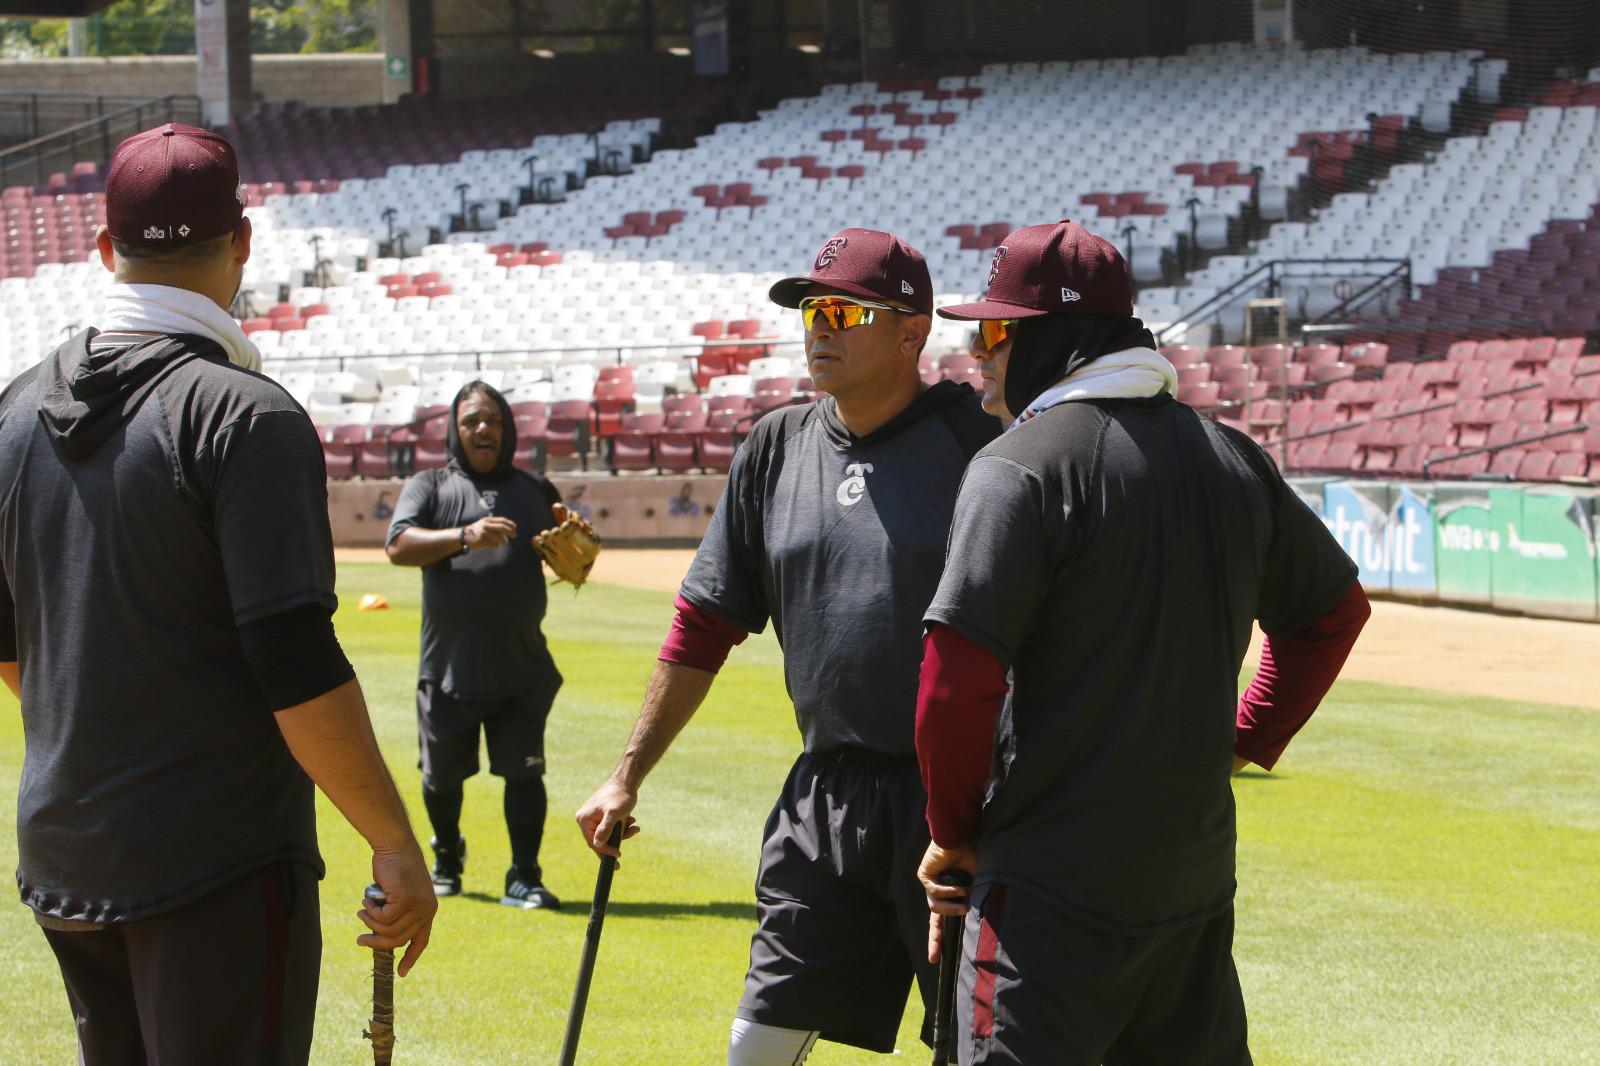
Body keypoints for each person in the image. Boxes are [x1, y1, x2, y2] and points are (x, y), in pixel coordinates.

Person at [0, 123, 435, 1064]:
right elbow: (293, 661)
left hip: (66, 851)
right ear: (242, 243)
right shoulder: (248, 414)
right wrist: (393, 838)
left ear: (106, 250)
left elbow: (13, 644)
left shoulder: (10, 410)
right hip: (216, 863)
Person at [913, 220, 1371, 1065]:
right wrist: (1245, 742)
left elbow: (954, 678)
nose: (977, 353)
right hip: (1190, 885)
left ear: (1051, 337)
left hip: (1045, 895)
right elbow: (1330, 617)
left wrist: (952, 828)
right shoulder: (1234, 457)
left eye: (992, 331)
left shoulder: (1019, 465)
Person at [576, 228, 999, 1064]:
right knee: (758, 1042)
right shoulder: (775, 447)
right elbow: (705, 625)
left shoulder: (979, 448)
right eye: (810, 309)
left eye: (843, 310)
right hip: (825, 800)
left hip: (957, 804)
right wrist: (626, 774)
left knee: (976, 1049)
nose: (819, 327)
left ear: (912, 330)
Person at [386, 380, 569, 910]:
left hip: (521, 667)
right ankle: (446, 858)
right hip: (448, 668)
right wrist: (465, 535)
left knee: (525, 774)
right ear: (454, 429)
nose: (482, 429)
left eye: (492, 420)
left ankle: (524, 876)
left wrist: (577, 558)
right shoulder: (431, 486)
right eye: (471, 421)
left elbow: (565, 554)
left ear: (508, 428)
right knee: (440, 779)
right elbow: (398, 545)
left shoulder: (536, 489)